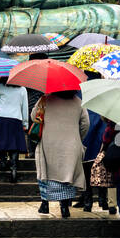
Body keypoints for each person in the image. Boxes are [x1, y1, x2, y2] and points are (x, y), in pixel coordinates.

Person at [35, 89, 89, 217]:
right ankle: (64, 206)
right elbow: (86, 124)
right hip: (71, 145)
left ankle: (45, 204)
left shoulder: (45, 99)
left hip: (49, 143)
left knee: (46, 173)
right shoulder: (79, 102)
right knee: (67, 175)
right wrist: (77, 138)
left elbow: (34, 117)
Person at [0, 76, 28, 183]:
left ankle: (3, 162)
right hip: (16, 119)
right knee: (14, 144)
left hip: (1, 117)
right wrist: (25, 123)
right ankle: (14, 168)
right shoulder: (22, 89)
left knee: (2, 140)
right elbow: (25, 108)